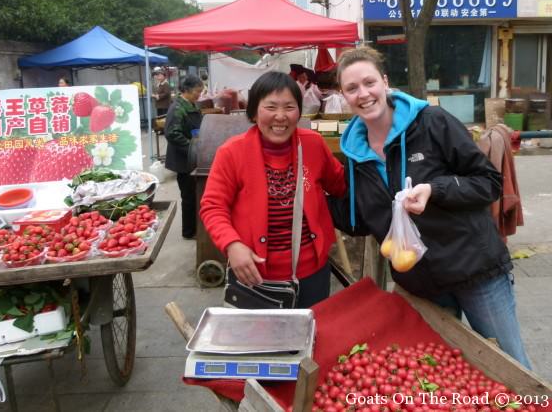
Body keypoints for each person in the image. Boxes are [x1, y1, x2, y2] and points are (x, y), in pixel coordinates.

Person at [328, 46, 532, 368]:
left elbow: (488, 183)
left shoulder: (431, 123)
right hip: (423, 288)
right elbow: (361, 220)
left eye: (369, 82)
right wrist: (311, 194)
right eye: (352, 88)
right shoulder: (354, 154)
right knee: (447, 375)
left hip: (476, 272)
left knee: (509, 368)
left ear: (385, 82)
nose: (363, 94)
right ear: (343, 95)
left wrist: (434, 190)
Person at [199, 71, 346, 308]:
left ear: (299, 111)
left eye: (289, 107)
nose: (280, 116)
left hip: (313, 272)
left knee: (311, 339)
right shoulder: (232, 152)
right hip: (255, 277)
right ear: (254, 112)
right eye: (271, 107)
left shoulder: (313, 144)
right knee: (261, 343)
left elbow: (341, 185)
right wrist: (232, 245)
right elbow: (213, 207)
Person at [164, 74, 204, 240]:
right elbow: (172, 134)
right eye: (197, 91)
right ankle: (189, 232)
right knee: (188, 197)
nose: (199, 94)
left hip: (193, 156)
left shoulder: (192, 104)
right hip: (183, 159)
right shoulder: (177, 108)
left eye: (201, 91)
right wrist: (191, 147)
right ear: (187, 90)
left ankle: (196, 227)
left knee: (195, 195)